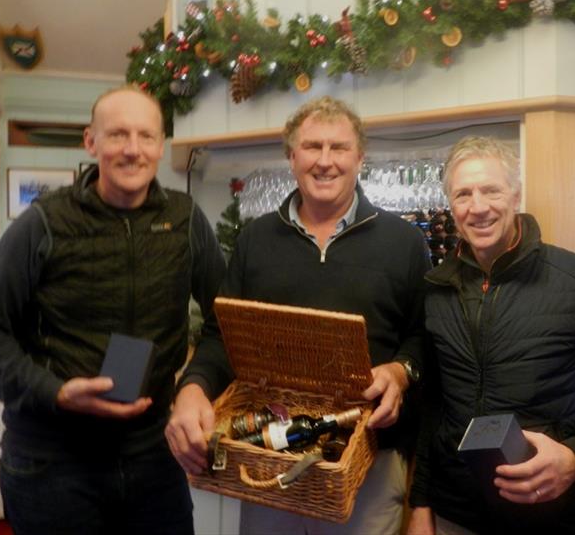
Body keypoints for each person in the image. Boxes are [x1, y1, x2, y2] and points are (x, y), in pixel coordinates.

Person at [0, 85, 226, 535]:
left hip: (155, 462)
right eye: (117, 135)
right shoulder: (44, 223)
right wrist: (55, 392)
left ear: (161, 146)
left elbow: (227, 323)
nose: (132, 150)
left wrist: (196, 386)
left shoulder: (185, 219)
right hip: (52, 465)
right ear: (90, 142)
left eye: (146, 136)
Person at [166, 96, 431, 534]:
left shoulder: (402, 242)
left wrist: (401, 372)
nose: (325, 161)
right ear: (291, 157)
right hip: (270, 458)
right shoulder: (255, 240)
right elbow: (221, 336)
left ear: (359, 158)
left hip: (367, 462)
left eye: (339, 148)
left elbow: (423, 338)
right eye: (311, 147)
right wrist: (193, 388)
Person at [407, 136, 575, 535]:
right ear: (451, 205)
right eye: (463, 194)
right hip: (456, 515)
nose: (478, 207)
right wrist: (421, 503)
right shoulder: (436, 289)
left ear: (515, 194)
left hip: (555, 516)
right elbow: (435, 406)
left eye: (490, 190)